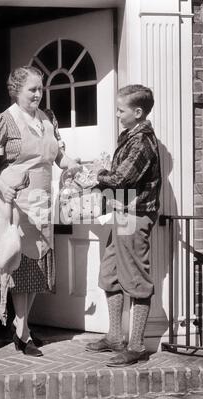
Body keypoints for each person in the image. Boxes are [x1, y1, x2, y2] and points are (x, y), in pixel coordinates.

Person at [0, 66, 80, 356]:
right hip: (14, 200)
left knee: (39, 265)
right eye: (32, 90)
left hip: (42, 200)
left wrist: (71, 164)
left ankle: (21, 325)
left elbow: (58, 155)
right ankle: (22, 331)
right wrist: (4, 186)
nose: (38, 94)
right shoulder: (4, 121)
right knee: (19, 264)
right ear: (17, 91)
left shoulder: (48, 118)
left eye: (41, 89)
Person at [86, 84, 162, 367]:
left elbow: (122, 179)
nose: (117, 114)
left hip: (133, 216)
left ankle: (138, 345)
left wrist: (97, 173)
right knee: (110, 273)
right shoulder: (130, 136)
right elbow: (119, 175)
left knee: (135, 279)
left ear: (138, 112)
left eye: (121, 110)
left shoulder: (143, 141)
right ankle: (115, 337)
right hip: (121, 213)